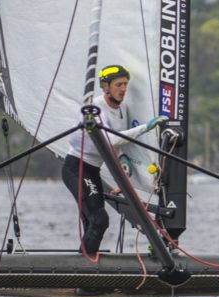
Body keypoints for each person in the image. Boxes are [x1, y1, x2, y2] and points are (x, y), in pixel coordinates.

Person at [61, 65, 166, 256]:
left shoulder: (122, 109)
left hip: (93, 170)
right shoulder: (94, 108)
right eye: (118, 84)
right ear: (105, 86)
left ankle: (84, 270)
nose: (124, 89)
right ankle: (84, 270)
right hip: (76, 168)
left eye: (126, 84)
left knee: (91, 221)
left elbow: (115, 148)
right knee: (99, 220)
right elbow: (109, 140)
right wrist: (146, 127)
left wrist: (123, 178)